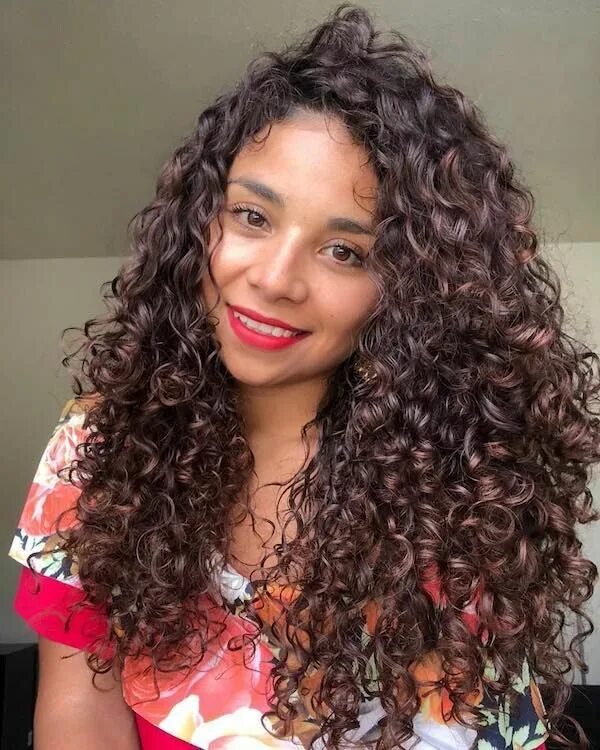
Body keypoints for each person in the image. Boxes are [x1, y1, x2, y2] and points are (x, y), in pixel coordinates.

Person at [8, 4, 599, 750]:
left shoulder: (455, 502)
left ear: (410, 292)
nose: (274, 279)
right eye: (253, 216)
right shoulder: (99, 440)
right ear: (201, 218)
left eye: (344, 252)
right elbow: (78, 706)